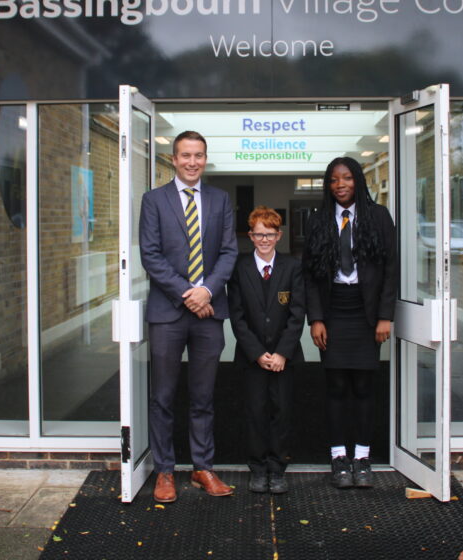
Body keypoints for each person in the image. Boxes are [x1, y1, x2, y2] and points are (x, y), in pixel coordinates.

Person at [138, 130, 237, 503]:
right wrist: (188, 294)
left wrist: (207, 291)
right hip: (168, 312)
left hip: (209, 312)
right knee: (163, 396)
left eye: (198, 155)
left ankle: (201, 468)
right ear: (173, 160)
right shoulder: (154, 200)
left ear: (205, 159)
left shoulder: (220, 200)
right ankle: (165, 471)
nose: (192, 162)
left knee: (203, 395)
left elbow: (228, 252)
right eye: (185, 155)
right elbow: (151, 255)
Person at [302, 156, 398, 489]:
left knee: (363, 388)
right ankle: (339, 457)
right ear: (328, 185)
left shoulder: (378, 217)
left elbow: (390, 270)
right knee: (336, 387)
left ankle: (362, 457)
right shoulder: (317, 220)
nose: (340, 185)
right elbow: (311, 276)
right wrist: (315, 318)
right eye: (333, 180)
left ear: (358, 180)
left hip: (366, 313)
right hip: (333, 312)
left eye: (346, 178)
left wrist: (385, 316)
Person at [228, 206, 306, 495]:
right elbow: (237, 316)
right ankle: (258, 468)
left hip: (285, 357)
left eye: (269, 234)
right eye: (258, 234)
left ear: (278, 235)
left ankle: (277, 468)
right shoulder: (240, 267)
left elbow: (298, 312)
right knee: (255, 411)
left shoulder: (293, 267)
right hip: (253, 358)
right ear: (250, 235)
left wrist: (283, 352)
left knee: (282, 411)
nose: (263, 239)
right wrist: (258, 353)